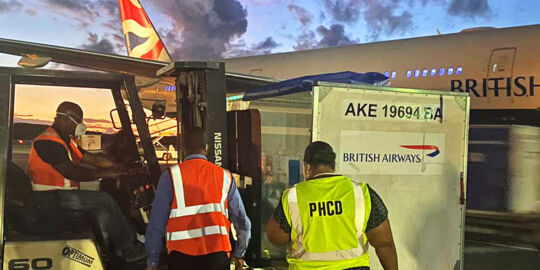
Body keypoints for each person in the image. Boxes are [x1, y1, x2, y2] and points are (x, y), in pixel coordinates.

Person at [27, 101, 145, 263]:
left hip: (60, 196)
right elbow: (71, 171)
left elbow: (92, 159)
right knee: (104, 200)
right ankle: (129, 249)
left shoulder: (67, 141)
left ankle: (112, 246)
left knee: (103, 201)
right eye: (78, 120)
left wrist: (118, 167)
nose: (81, 125)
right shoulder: (48, 142)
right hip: (50, 199)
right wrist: (105, 173)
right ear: (63, 119)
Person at [266, 141, 398, 270]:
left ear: (307, 167)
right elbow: (384, 243)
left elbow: (276, 237)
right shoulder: (360, 192)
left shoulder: (293, 196)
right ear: (333, 165)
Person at [145, 127, 251, 270]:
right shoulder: (225, 177)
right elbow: (242, 221)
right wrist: (239, 253)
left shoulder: (170, 177)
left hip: (181, 258)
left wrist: (152, 262)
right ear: (206, 148)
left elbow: (156, 225)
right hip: (217, 258)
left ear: (183, 149)